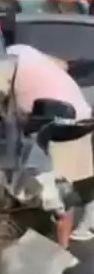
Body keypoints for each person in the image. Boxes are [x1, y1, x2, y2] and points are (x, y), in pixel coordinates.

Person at [7, 44, 94, 244]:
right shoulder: (25, 51)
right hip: (81, 115)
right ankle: (85, 224)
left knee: (59, 187)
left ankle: (61, 247)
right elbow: (61, 64)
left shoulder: (8, 63)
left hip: (59, 121)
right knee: (79, 174)